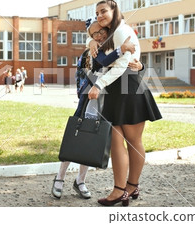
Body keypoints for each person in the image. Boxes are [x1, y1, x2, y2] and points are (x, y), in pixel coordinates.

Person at [52, 20, 141, 200]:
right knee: (76, 135)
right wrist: (121, 49)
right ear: (90, 37)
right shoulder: (91, 50)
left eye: (101, 31)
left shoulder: (111, 42)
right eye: (94, 34)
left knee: (92, 139)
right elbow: (102, 62)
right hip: (90, 97)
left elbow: (123, 65)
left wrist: (139, 65)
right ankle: (59, 177)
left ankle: (80, 180)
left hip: (107, 99)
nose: (99, 36)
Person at [88, 0, 162, 207]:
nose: (99, 15)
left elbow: (122, 66)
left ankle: (131, 185)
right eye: (97, 13)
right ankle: (119, 189)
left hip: (129, 88)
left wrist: (98, 85)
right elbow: (95, 44)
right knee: (115, 141)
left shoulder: (122, 30)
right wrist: (91, 42)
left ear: (114, 11)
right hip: (114, 90)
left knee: (133, 141)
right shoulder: (106, 33)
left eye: (103, 11)